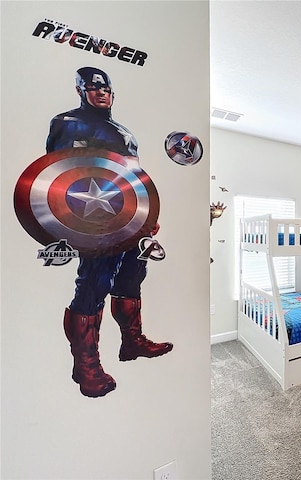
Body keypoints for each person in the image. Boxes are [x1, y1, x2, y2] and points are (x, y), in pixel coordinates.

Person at [47, 67, 172, 398]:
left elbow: (136, 177)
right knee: (94, 283)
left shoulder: (124, 131)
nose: (101, 92)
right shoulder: (67, 123)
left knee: (132, 275)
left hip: (131, 215)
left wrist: (148, 216)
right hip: (94, 218)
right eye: (93, 87)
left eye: (106, 88)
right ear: (80, 90)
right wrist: (72, 220)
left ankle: (131, 342)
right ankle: (85, 365)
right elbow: (57, 173)